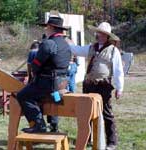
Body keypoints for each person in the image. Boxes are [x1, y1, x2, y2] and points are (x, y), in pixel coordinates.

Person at [70, 22, 124, 150]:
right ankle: (86, 138)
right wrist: (66, 42)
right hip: (89, 85)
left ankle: (111, 142)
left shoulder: (113, 51)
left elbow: (118, 70)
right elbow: (76, 50)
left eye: (104, 34)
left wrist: (119, 88)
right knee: (86, 113)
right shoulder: (91, 47)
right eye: (99, 33)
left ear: (108, 36)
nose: (101, 36)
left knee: (106, 113)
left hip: (103, 86)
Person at [16, 12, 71, 133]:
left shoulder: (48, 43)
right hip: (62, 84)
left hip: (48, 84)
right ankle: (54, 125)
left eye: (47, 27)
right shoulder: (66, 44)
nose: (45, 29)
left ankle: (38, 125)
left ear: (51, 27)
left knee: (22, 95)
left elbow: (36, 66)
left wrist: (34, 76)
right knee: (55, 99)